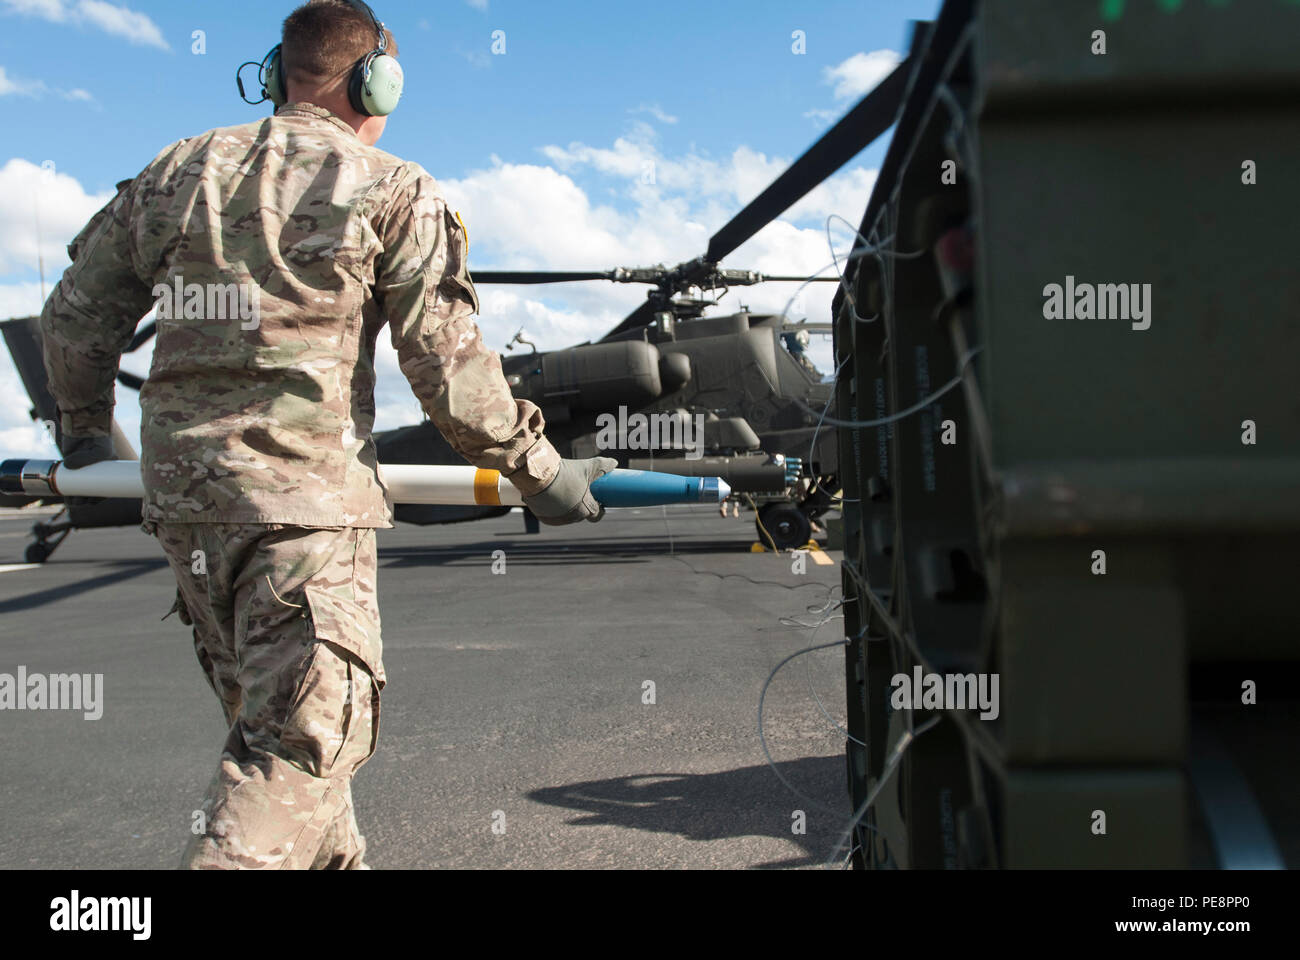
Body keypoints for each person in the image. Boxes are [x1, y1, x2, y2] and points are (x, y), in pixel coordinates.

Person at [38, 0, 614, 869]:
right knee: (299, 750)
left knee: (292, 744)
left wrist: (84, 440)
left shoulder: (174, 171)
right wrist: (543, 476)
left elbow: (74, 321)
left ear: (279, 74)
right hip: (303, 515)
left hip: (186, 512)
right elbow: (450, 376)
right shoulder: (392, 187)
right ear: (373, 80)